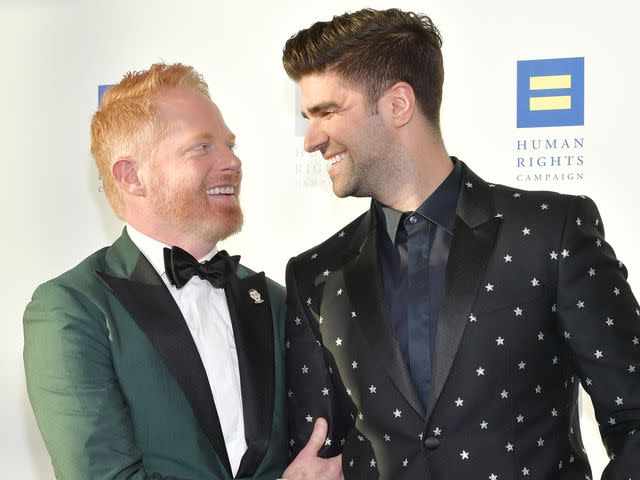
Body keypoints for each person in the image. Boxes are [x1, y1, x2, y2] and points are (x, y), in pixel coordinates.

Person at [282, 8, 640, 479]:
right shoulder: (315, 274)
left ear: (398, 104)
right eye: (308, 116)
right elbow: (317, 453)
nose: (311, 139)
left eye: (327, 112)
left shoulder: (550, 231)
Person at [23, 62, 338, 480]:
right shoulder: (72, 309)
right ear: (132, 176)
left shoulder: (276, 299)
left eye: (229, 144)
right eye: (202, 147)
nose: (232, 161)